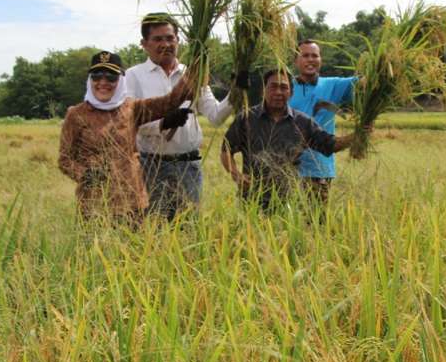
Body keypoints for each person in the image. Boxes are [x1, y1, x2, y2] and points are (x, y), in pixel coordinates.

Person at [58, 50, 195, 223]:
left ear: (121, 80)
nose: (103, 82)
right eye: (97, 76)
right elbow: (64, 159)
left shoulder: (131, 108)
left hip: (133, 204)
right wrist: (85, 175)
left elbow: (170, 101)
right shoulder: (76, 114)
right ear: (90, 80)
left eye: (111, 77)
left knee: (135, 249)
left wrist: (195, 67)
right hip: (94, 206)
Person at [124, 12, 234, 221]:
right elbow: (128, 117)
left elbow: (215, 116)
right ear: (144, 44)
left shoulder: (193, 74)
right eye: (157, 39)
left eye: (170, 38)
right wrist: (163, 123)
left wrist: (236, 93)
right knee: (152, 228)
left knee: (189, 228)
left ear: (178, 41)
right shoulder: (133, 75)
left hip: (188, 167)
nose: (165, 44)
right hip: (151, 167)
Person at [221, 68, 364, 212]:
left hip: (288, 201)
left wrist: (358, 135)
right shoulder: (246, 118)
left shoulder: (303, 122)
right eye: (273, 86)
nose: (278, 92)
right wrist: (236, 175)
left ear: (291, 93)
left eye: (284, 87)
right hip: (251, 199)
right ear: (264, 90)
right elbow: (226, 150)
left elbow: (330, 145)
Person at [288, 39, 357, 204]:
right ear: (296, 60)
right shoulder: (284, 87)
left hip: (319, 169)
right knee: (284, 221)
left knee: (316, 222)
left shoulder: (333, 85)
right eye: (305, 55)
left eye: (315, 56)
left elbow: (364, 83)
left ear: (321, 60)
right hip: (286, 167)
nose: (310, 59)